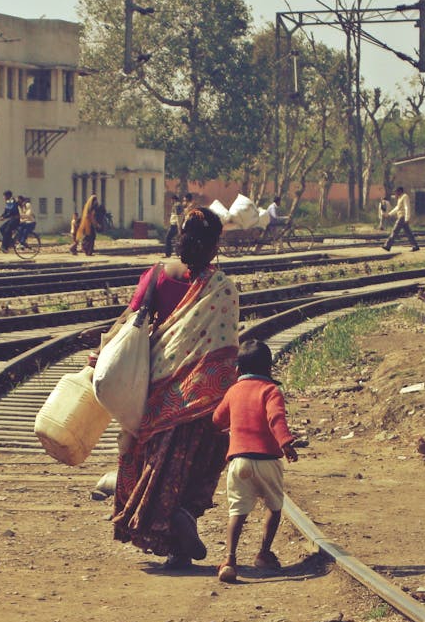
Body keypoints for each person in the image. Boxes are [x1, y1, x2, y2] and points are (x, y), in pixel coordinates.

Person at [104, 209, 239, 569]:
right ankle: (184, 521)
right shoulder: (222, 286)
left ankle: (169, 534)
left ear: (180, 237)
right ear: (214, 246)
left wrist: (100, 354)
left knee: (156, 463)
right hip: (204, 395)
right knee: (195, 464)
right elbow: (227, 347)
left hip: (159, 390)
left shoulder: (156, 276)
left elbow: (131, 320)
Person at [212, 339, 298, 584]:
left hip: (239, 461)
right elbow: (275, 418)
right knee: (274, 506)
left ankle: (229, 559)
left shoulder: (233, 391)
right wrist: (285, 443)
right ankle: (263, 553)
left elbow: (217, 419)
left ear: (238, 370)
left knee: (237, 511)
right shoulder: (271, 391)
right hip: (268, 460)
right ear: (269, 369)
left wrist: (227, 426)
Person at [382, 185, 419, 252]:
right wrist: (389, 214)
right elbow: (397, 208)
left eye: (396, 192)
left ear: (400, 191)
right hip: (401, 217)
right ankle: (415, 246)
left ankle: (387, 245)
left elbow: (407, 207)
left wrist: (407, 218)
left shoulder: (405, 196)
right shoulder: (400, 198)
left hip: (402, 217)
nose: (395, 193)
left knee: (394, 231)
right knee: (408, 233)